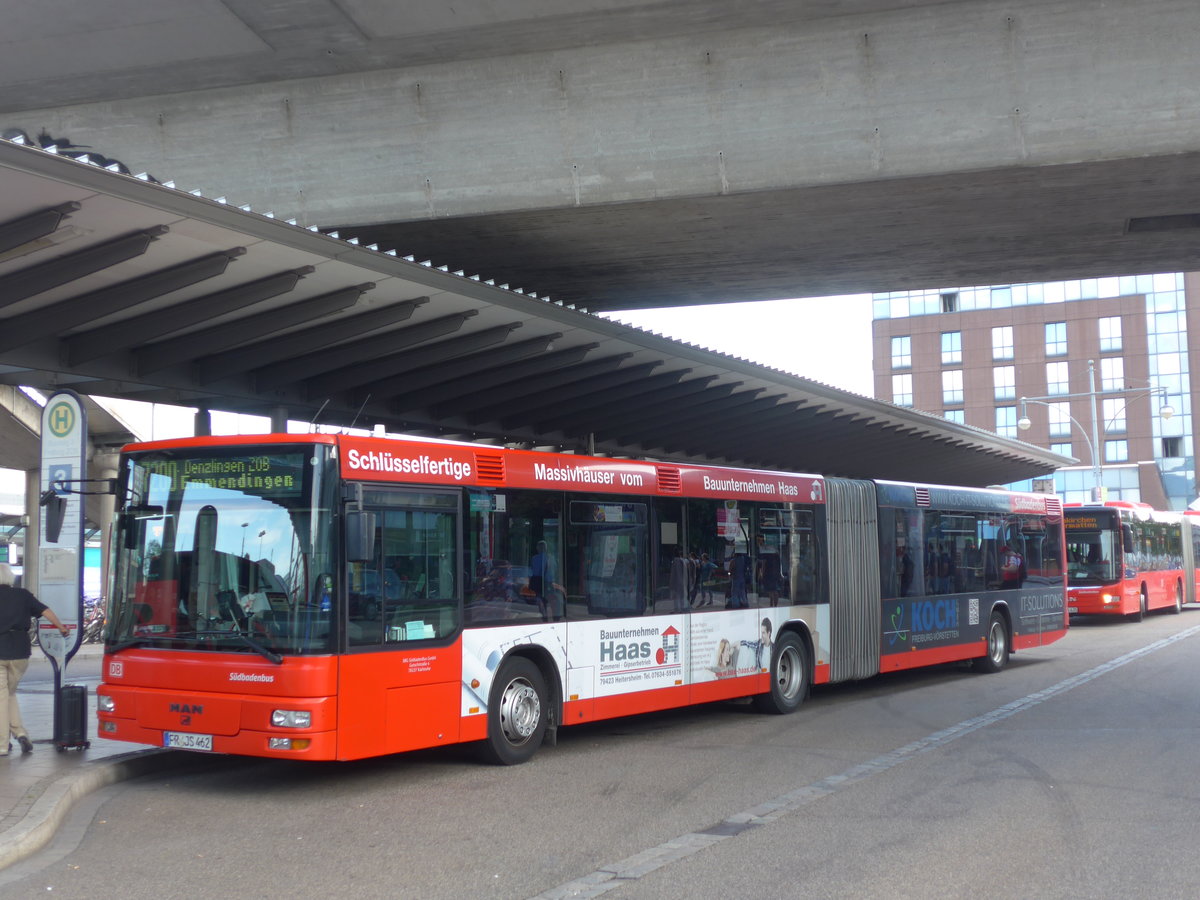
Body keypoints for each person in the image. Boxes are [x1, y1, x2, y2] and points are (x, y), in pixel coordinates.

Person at [1, 563, 70, 756]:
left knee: (1, 697)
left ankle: (2, 744)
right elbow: (45, 611)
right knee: (9, 694)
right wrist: (61, 627)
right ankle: (20, 733)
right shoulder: (23, 595)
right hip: (20, 652)